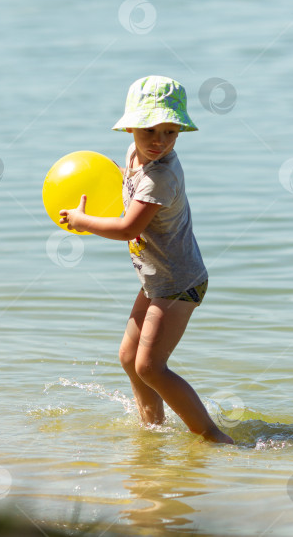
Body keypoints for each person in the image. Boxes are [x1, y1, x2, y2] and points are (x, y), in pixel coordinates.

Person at [59, 76, 234, 444]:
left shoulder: (161, 176)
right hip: (156, 279)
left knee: (150, 366)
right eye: (150, 130)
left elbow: (126, 228)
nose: (160, 141)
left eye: (170, 132)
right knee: (128, 358)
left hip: (179, 281)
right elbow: (124, 184)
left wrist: (81, 222)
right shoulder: (135, 157)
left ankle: (213, 437)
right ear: (130, 128)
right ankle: (151, 430)